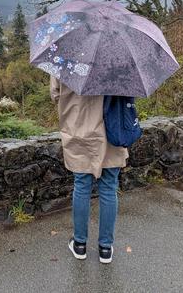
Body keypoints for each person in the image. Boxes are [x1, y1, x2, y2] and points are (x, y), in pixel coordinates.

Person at [49, 75, 129, 264]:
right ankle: (105, 248)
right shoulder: (116, 61)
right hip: (111, 132)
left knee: (82, 186)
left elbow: (55, 94)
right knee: (109, 188)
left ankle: (79, 244)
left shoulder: (65, 59)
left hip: (79, 131)